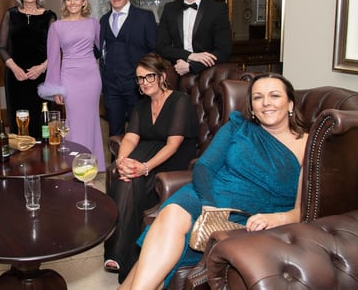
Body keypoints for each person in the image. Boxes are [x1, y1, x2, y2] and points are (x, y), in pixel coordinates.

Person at [119, 73, 309, 290]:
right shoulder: (238, 126)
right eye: (258, 97)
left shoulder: (309, 145)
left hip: (248, 219)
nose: (266, 103)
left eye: (274, 95)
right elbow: (204, 166)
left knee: (156, 257)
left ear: (290, 103)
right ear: (252, 106)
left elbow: (303, 209)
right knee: (171, 214)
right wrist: (209, 205)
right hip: (206, 198)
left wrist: (275, 218)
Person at [104, 53, 198, 282]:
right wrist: (123, 161)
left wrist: (144, 167)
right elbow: (130, 138)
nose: (144, 83)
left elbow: (173, 145)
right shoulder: (141, 105)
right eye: (139, 79)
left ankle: (121, 256)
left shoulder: (179, 101)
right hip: (143, 155)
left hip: (169, 161)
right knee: (126, 178)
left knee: (132, 180)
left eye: (149, 77)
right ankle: (121, 255)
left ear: (162, 76)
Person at [37, 0, 104, 169]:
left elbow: (102, 50)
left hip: (91, 77)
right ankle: (76, 166)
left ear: (84, 1)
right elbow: (53, 58)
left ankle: (92, 165)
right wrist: (55, 88)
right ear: (64, 3)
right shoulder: (57, 26)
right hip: (70, 78)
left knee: (91, 121)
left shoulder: (93, 24)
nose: (72, 2)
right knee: (73, 122)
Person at [99, 0, 157, 144]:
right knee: (114, 132)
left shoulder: (144, 17)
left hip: (136, 85)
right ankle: (116, 168)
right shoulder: (103, 21)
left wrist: (148, 79)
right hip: (111, 87)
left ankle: (137, 168)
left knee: (138, 130)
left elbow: (154, 50)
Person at [0, 0, 57, 137]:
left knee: (41, 123)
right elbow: (1, 47)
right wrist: (15, 68)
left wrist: (42, 68)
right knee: (18, 124)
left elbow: (55, 50)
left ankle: (42, 161)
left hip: (41, 78)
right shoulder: (10, 14)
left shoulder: (49, 17)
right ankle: (19, 161)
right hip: (16, 77)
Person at [156, 0, 232, 76]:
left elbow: (223, 51)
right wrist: (190, 56)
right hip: (177, 75)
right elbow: (161, 47)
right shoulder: (169, 9)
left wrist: (192, 66)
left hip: (209, 77)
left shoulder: (218, 9)